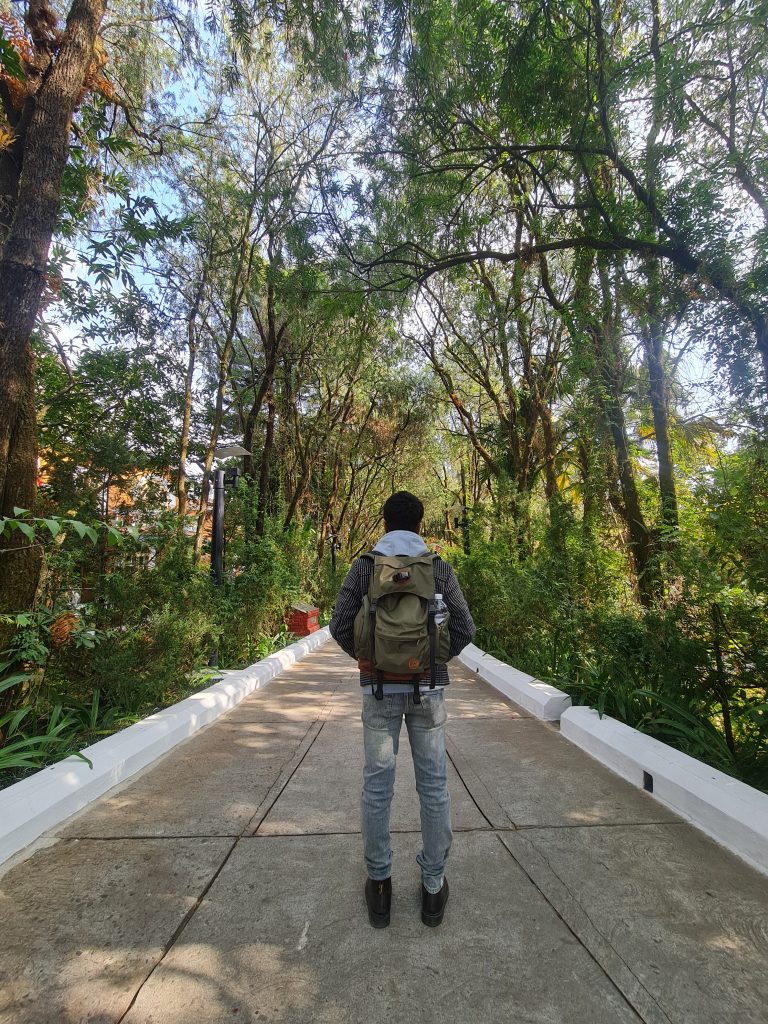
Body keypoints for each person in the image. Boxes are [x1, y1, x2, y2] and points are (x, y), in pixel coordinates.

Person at [329, 490, 476, 928]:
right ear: (419, 523)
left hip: (378, 691)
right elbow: (465, 629)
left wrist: (366, 656)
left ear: (385, 521)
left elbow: (339, 625)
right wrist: (429, 660)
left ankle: (380, 887)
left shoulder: (364, 567)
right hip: (427, 692)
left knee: (377, 789)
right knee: (433, 788)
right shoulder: (438, 567)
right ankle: (432, 889)